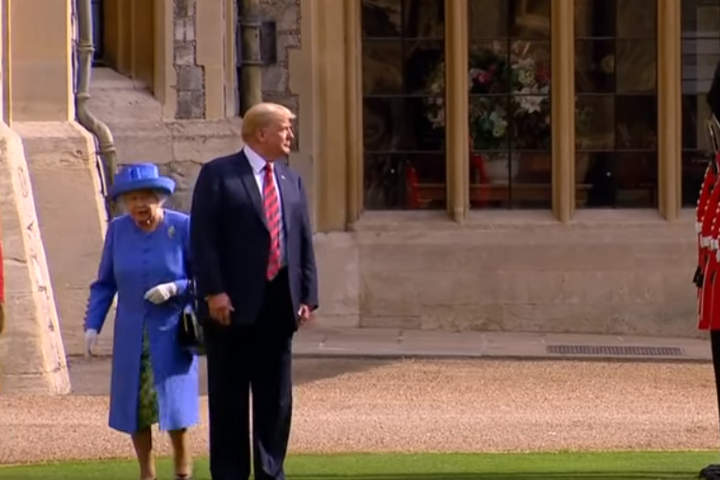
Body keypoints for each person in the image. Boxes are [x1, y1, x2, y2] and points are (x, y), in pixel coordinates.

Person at [190, 102, 319, 480]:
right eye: (284, 128)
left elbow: (301, 240)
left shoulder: (291, 180)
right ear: (261, 133)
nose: (290, 135)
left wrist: (307, 295)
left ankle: (270, 471)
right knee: (229, 399)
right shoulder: (218, 174)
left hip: (279, 305)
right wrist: (214, 291)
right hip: (229, 307)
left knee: (276, 399)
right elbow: (203, 240)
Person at [84, 163, 199, 480]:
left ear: (159, 198)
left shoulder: (182, 227)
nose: (139, 205)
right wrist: (92, 325)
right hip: (131, 334)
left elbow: (205, 279)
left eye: (146, 197)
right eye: (132, 199)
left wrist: (175, 288)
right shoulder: (118, 231)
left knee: (174, 405)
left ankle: (182, 467)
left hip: (172, 331)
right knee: (136, 408)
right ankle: (146, 473)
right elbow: (104, 283)